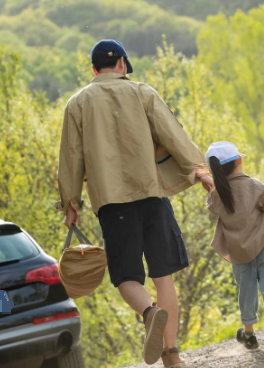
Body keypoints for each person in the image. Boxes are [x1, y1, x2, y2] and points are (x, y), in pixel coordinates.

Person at [56, 39, 214, 367]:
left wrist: (71, 204)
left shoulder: (78, 103)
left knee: (126, 276)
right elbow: (173, 134)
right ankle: (171, 354)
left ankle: (148, 312)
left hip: (112, 204)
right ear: (124, 65)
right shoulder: (142, 92)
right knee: (164, 274)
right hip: (153, 196)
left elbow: (71, 157)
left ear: (93, 70)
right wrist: (199, 170)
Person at [205, 141, 264, 349]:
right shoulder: (255, 186)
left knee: (246, 292)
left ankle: (249, 335)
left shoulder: (216, 196)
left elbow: (212, 205)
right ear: (239, 160)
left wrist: (212, 184)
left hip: (238, 255)